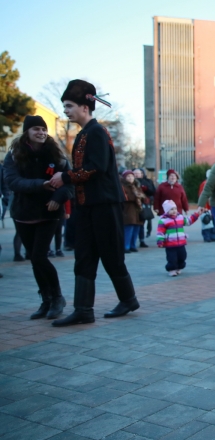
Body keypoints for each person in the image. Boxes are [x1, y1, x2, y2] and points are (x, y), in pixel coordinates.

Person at [49, 79, 140, 327]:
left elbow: (96, 168)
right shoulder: (84, 133)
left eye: (69, 105)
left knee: (111, 256)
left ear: (84, 107)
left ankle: (129, 299)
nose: (65, 110)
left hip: (105, 204)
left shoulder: (96, 132)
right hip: (88, 206)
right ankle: (83, 310)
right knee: (84, 256)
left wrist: (65, 176)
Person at [3, 115, 74, 317]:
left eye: (43, 129)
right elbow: (12, 181)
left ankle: (57, 298)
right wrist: (39, 184)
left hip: (49, 212)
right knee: (34, 260)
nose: (41, 133)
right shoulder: (14, 155)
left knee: (39, 256)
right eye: (36, 129)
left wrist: (58, 198)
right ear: (27, 132)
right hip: (23, 212)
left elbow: (69, 182)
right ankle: (46, 300)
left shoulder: (56, 155)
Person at [156, 200, 204, 276]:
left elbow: (189, 221)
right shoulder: (163, 220)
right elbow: (160, 232)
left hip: (181, 243)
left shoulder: (180, 217)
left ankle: (179, 267)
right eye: (171, 209)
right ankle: (172, 269)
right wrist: (160, 241)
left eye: (175, 208)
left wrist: (197, 214)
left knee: (182, 256)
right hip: (170, 244)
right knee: (172, 258)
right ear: (166, 211)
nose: (174, 211)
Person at [121, 170, 145, 253]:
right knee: (129, 228)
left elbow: (143, 196)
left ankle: (132, 245)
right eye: (128, 176)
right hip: (128, 210)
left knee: (136, 228)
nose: (130, 178)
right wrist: (137, 197)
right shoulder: (123, 187)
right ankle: (126, 246)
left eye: (132, 176)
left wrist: (143, 198)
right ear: (125, 178)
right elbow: (126, 198)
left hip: (138, 211)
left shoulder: (137, 186)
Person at [133, 168, 156, 247]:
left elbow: (153, 191)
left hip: (145, 204)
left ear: (142, 174)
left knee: (145, 220)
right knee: (138, 223)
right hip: (134, 205)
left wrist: (146, 189)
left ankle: (143, 238)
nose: (136, 175)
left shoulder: (147, 181)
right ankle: (137, 240)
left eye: (138, 173)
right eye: (134, 173)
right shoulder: (130, 182)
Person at [198, 169, 215, 242]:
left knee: (213, 222)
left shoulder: (214, 183)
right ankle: (207, 236)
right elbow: (202, 195)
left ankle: (212, 236)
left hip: (213, 206)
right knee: (207, 221)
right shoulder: (205, 184)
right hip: (207, 207)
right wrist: (203, 206)